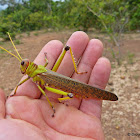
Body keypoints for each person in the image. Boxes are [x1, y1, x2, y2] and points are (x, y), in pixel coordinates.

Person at [0, 31, 111, 140]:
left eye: (23, 65)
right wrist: (15, 92)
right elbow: (46, 63)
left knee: (66, 51)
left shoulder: (35, 74)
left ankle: (75, 82)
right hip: (52, 78)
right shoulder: (35, 71)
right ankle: (75, 88)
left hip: (55, 82)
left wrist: (52, 107)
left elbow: (43, 91)